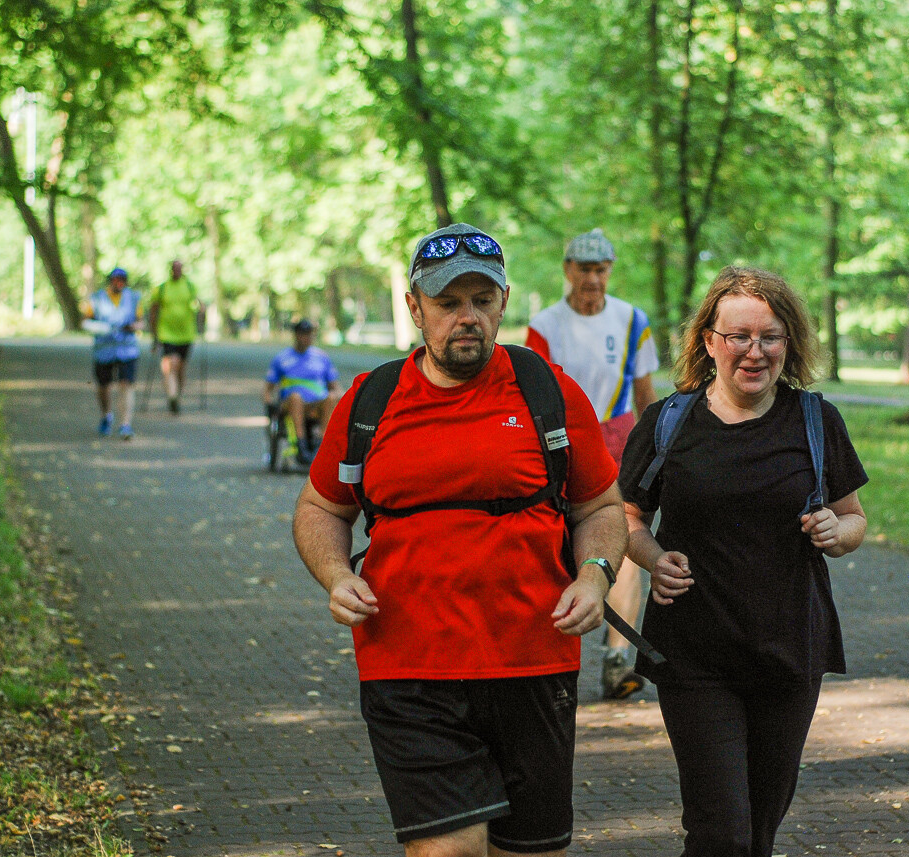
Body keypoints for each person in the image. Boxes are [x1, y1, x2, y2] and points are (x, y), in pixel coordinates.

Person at [293, 222, 628, 857]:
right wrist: (337, 575)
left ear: (503, 302)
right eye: (448, 303)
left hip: (533, 659)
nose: (466, 317)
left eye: (481, 300)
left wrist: (594, 575)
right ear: (416, 308)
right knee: (449, 851)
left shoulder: (548, 393)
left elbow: (600, 507)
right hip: (406, 665)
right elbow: (319, 507)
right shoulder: (371, 400)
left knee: (531, 852)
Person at [617, 266, 867, 857]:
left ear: (789, 343)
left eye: (770, 336)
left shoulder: (814, 420)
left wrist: (838, 530)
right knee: (720, 828)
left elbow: (854, 518)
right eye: (738, 336)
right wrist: (654, 557)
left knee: (758, 830)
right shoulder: (668, 422)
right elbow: (624, 519)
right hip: (695, 652)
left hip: (789, 649)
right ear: (710, 342)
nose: (754, 352)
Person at [526, 228, 661, 700]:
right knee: (553, 549)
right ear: (567, 271)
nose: (593, 278)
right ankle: (543, 664)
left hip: (620, 444)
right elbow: (533, 396)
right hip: (561, 447)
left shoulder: (631, 320)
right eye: (584, 269)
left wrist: (662, 452)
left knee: (621, 542)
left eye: (601, 269)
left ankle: (616, 658)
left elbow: (646, 396)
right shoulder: (545, 325)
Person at [263, 318, 342, 471]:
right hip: (291, 405)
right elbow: (267, 389)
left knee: (331, 397)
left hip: (316, 405)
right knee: (296, 397)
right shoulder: (282, 358)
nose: (307, 337)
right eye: (303, 334)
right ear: (296, 335)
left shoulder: (321, 357)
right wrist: (269, 406)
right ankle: (301, 444)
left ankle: (320, 443)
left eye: (310, 334)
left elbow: (335, 387)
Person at [81, 267, 144, 440]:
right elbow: (85, 322)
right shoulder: (97, 298)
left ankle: (125, 424)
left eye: (122, 280)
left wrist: (134, 327)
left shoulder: (132, 298)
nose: (119, 283)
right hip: (104, 351)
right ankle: (106, 415)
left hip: (127, 350)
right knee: (104, 386)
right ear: (111, 281)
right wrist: (100, 328)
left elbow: (141, 322)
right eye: (116, 280)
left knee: (126, 384)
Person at [147, 259, 205, 415]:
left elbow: (200, 304)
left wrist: (202, 315)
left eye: (179, 268)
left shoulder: (189, 286)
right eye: (174, 268)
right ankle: (172, 396)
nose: (177, 271)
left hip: (186, 334)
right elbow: (153, 311)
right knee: (170, 364)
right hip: (166, 333)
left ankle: (177, 395)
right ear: (171, 270)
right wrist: (154, 333)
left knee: (181, 367)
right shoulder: (162, 288)